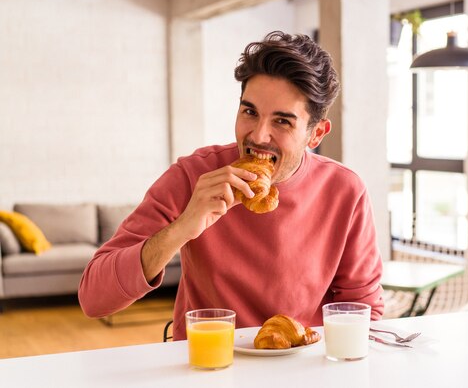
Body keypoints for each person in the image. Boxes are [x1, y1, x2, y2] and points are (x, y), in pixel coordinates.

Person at [78, 31, 384, 340]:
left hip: (300, 367)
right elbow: (93, 298)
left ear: (316, 134)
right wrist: (183, 227)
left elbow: (362, 309)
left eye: (282, 121)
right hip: (206, 364)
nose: (259, 135)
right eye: (250, 112)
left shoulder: (345, 191)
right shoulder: (192, 175)